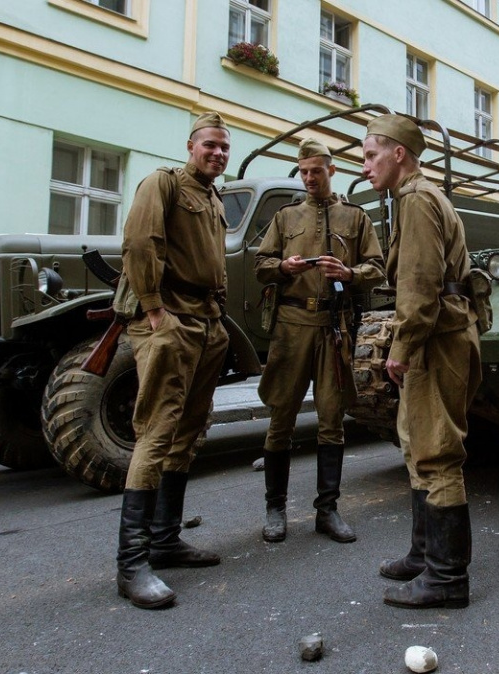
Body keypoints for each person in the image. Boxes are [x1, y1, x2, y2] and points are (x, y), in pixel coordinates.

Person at [360, 114, 482, 609]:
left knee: (436, 453)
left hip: (437, 338)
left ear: (399, 155)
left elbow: (419, 285)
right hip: (441, 333)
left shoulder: (414, 199)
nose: (364, 164)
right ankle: (424, 553)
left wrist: (401, 348)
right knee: (415, 443)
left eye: (370, 155)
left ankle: (448, 578)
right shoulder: (417, 197)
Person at [115, 111, 232, 610]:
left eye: (224, 147)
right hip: (169, 317)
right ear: (191, 145)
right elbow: (141, 242)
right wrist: (153, 309)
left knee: (189, 428)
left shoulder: (212, 197)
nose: (218, 153)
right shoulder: (162, 183)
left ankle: (164, 541)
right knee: (158, 431)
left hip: (204, 320)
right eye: (210, 145)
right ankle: (131, 564)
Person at [254, 137, 385, 544]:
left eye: (316, 170)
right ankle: (275, 510)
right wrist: (284, 266)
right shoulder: (286, 217)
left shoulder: (355, 217)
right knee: (281, 420)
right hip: (291, 326)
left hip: (334, 329)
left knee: (332, 422)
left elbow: (377, 268)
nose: (310, 178)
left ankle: (327, 511)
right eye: (304, 171)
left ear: (332, 171)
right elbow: (261, 265)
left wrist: (349, 274)